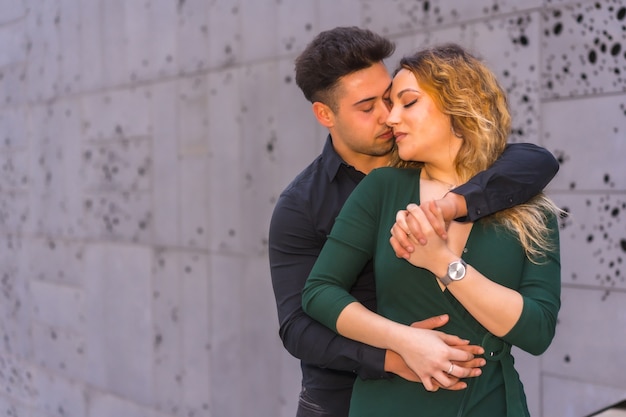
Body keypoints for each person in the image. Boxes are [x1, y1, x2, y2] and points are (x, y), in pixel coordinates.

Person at [270, 26, 559, 417]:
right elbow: (300, 322)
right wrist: (396, 351)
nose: (388, 117)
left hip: (484, 397)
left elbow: (537, 160)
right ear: (326, 114)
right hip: (349, 394)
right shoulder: (305, 204)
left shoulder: (497, 188)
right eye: (368, 107)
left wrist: (451, 212)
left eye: (394, 99)